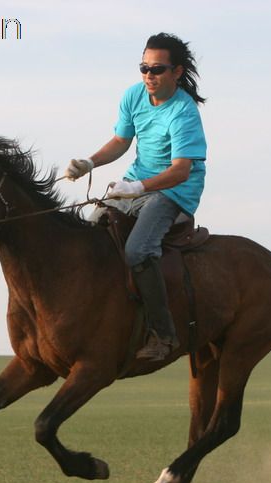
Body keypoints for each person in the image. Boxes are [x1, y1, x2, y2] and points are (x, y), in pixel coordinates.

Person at [64, 32, 207, 361]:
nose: (148, 76)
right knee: (89, 234)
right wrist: (89, 163)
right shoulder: (134, 96)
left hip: (174, 191)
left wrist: (139, 188)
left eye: (157, 69)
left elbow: (181, 171)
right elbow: (120, 141)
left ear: (176, 72)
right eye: (144, 68)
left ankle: (163, 335)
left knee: (138, 250)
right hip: (136, 183)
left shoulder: (184, 113)